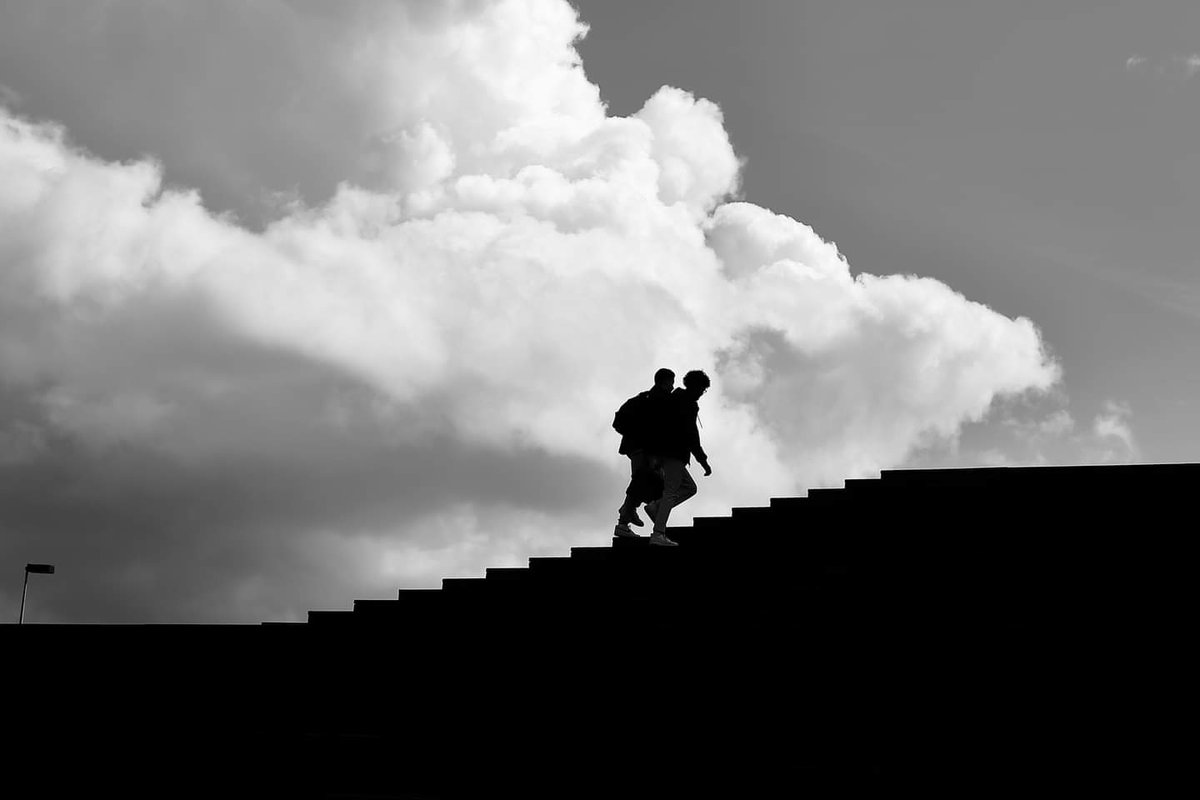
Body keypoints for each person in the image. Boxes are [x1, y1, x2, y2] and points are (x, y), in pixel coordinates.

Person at [646, 369, 712, 547]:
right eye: (702, 389)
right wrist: (703, 461)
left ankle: (655, 508)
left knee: (689, 487)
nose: (702, 393)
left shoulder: (673, 399)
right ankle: (658, 534)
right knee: (671, 491)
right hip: (674, 453)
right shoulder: (687, 404)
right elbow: (692, 435)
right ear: (695, 386)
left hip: (667, 452)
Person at [612, 368, 675, 538]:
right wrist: (655, 454)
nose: (672, 387)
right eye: (671, 383)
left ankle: (627, 514)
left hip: (636, 448)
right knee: (642, 481)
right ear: (665, 382)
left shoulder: (644, 398)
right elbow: (656, 430)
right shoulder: (659, 400)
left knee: (641, 481)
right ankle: (624, 520)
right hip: (646, 450)